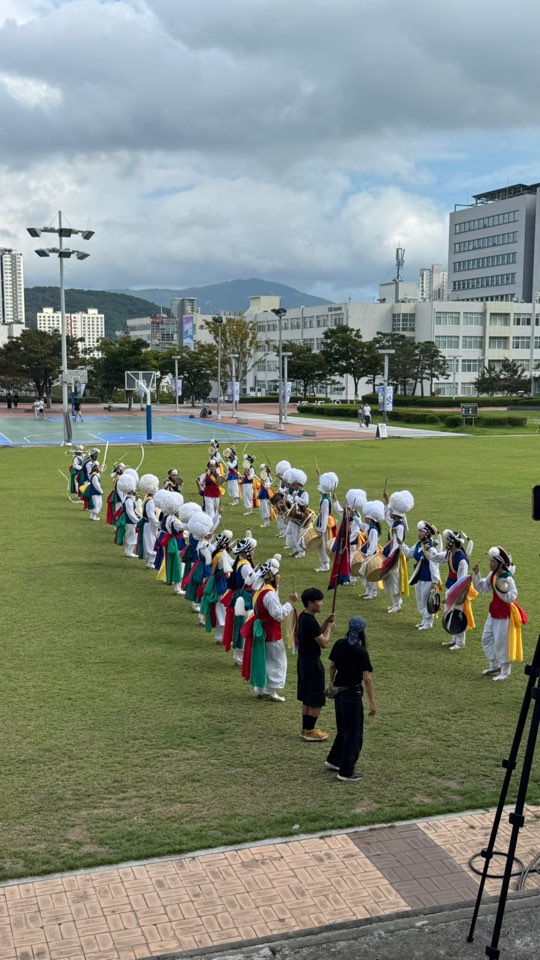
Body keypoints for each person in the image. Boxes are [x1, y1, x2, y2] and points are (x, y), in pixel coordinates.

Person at [325, 616, 376, 782]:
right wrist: (372, 703)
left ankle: (334, 759)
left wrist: (331, 683)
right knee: (353, 733)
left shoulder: (339, 644)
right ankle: (346, 770)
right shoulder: (361, 652)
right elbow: (367, 679)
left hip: (339, 693)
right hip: (352, 695)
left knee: (343, 729)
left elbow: (332, 665)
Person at [241, 553, 298, 701]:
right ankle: (271, 691)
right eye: (277, 574)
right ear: (272, 576)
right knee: (277, 661)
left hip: (262, 629)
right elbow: (278, 614)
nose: (279, 577)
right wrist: (290, 602)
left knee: (264, 659)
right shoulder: (270, 594)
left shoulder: (262, 589)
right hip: (270, 631)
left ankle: (260, 688)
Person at [472, 546, 527, 681]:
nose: (490, 564)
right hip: (493, 612)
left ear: (501, 564)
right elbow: (482, 588)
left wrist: (502, 590)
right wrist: (476, 575)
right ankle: (495, 664)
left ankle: (505, 671)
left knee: (502, 643)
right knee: (486, 639)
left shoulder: (507, 577)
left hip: (504, 614)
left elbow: (512, 596)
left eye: (493, 562)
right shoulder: (492, 575)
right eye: (490, 561)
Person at [297, 587, 336, 742]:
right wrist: (330, 629)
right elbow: (323, 642)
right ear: (310, 603)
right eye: (319, 601)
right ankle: (311, 730)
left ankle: (306, 729)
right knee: (315, 697)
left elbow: (316, 634)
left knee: (307, 696)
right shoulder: (310, 621)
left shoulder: (303, 616)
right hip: (312, 663)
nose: (322, 603)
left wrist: (326, 622)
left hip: (303, 661)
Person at [401, 521, 441, 630]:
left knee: (427, 600)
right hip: (418, 576)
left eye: (421, 532)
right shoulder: (419, 544)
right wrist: (401, 544)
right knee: (420, 600)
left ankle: (428, 623)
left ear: (427, 534)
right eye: (418, 531)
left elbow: (434, 564)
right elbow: (409, 553)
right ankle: (424, 620)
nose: (418, 533)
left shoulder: (431, 547)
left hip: (428, 578)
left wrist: (435, 581)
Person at [381, 489, 414, 614]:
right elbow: (386, 515)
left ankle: (397, 603)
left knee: (394, 579)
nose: (389, 513)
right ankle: (394, 603)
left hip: (395, 555)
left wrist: (389, 557)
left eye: (391, 512)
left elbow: (397, 544)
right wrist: (386, 501)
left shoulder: (399, 526)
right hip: (391, 554)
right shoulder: (396, 523)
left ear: (395, 514)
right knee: (390, 579)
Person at [314, 471, 338, 573]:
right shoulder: (328, 495)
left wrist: (321, 530)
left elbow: (324, 516)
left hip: (324, 524)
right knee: (323, 544)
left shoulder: (325, 500)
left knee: (322, 544)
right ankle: (325, 563)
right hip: (326, 522)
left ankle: (325, 564)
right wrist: (320, 476)